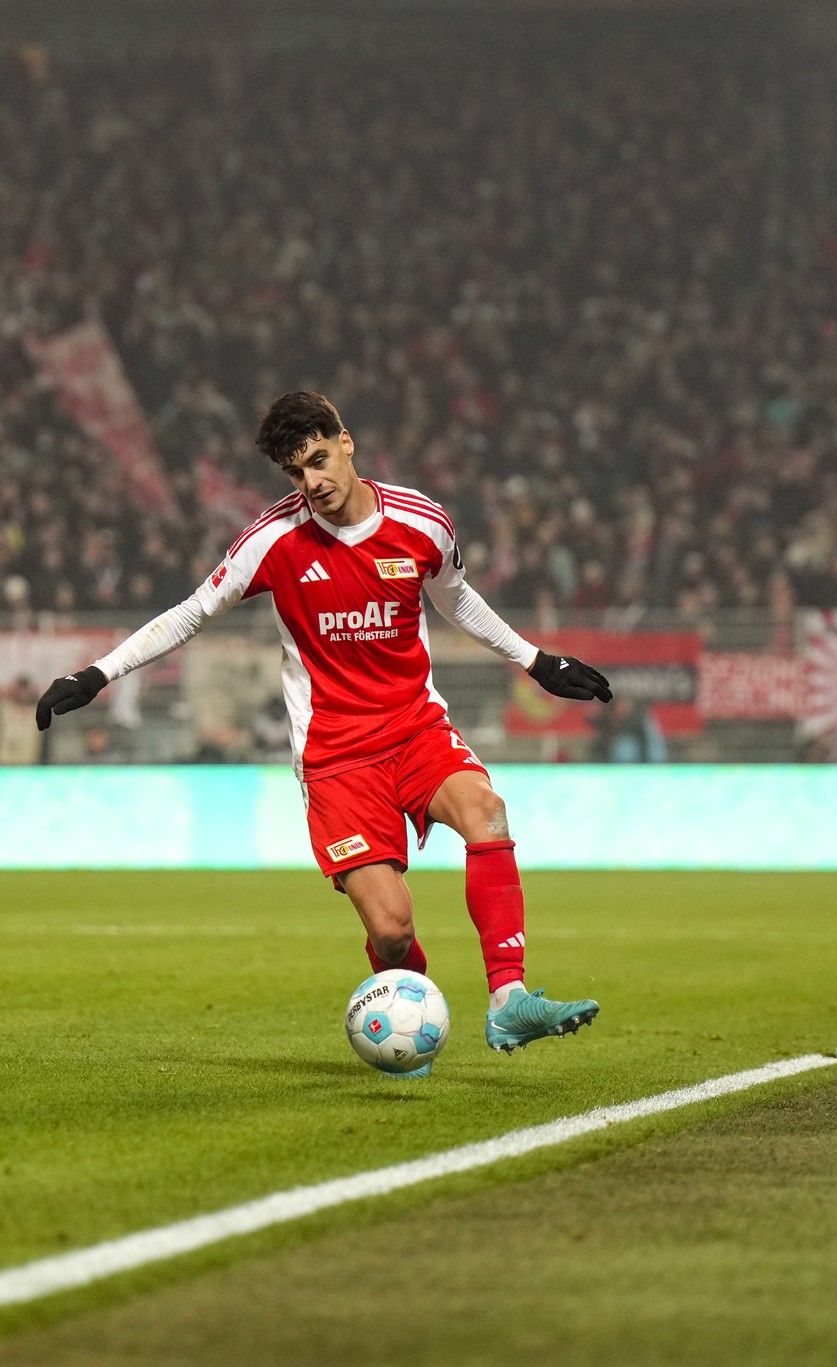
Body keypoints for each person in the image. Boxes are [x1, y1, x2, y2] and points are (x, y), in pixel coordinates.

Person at [37, 391, 613, 1071]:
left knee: (487, 811)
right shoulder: (273, 541)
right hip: (336, 756)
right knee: (393, 931)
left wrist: (537, 660)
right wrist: (98, 675)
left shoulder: (421, 523)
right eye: (295, 472)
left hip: (415, 728)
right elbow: (191, 613)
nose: (312, 482)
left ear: (346, 441)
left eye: (316, 459)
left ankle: (507, 997)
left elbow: (457, 599)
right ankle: (412, 1007)